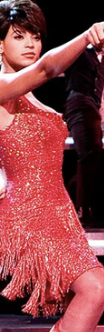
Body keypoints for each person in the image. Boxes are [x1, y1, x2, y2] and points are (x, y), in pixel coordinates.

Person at [0, 0, 104, 332]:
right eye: (19, 36)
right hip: (31, 211)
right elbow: (52, 67)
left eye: (35, 35)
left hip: (58, 209)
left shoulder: (28, 100)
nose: (30, 43)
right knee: (96, 289)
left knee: (82, 301)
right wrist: (88, 35)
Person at [62, 46, 104, 227]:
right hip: (79, 102)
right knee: (89, 153)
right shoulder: (80, 52)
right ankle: (84, 210)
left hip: (92, 106)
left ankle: (79, 206)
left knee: (92, 154)